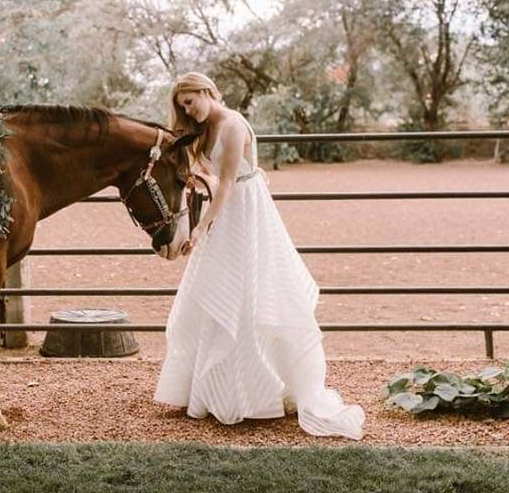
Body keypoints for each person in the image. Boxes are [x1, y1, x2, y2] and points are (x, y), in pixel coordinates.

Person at [154, 71, 365, 440]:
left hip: (246, 212)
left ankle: (258, 390)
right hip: (226, 207)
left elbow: (232, 181)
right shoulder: (203, 130)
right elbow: (215, 177)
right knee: (218, 291)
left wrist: (203, 227)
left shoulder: (234, 125)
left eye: (190, 101)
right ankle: (214, 387)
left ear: (206, 91)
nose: (188, 110)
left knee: (251, 291)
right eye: (183, 106)